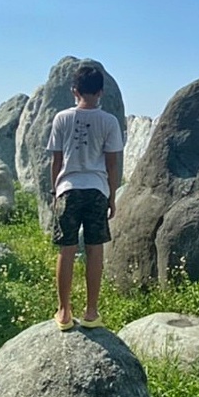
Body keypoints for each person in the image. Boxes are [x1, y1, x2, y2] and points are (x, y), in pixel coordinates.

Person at [46, 64, 124, 330]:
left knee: (66, 250)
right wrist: (112, 197)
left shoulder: (61, 118)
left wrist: (54, 190)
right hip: (97, 189)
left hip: (67, 188)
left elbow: (55, 161)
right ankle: (91, 312)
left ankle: (64, 311)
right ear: (100, 92)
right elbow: (112, 164)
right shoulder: (109, 122)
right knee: (94, 250)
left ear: (74, 90)